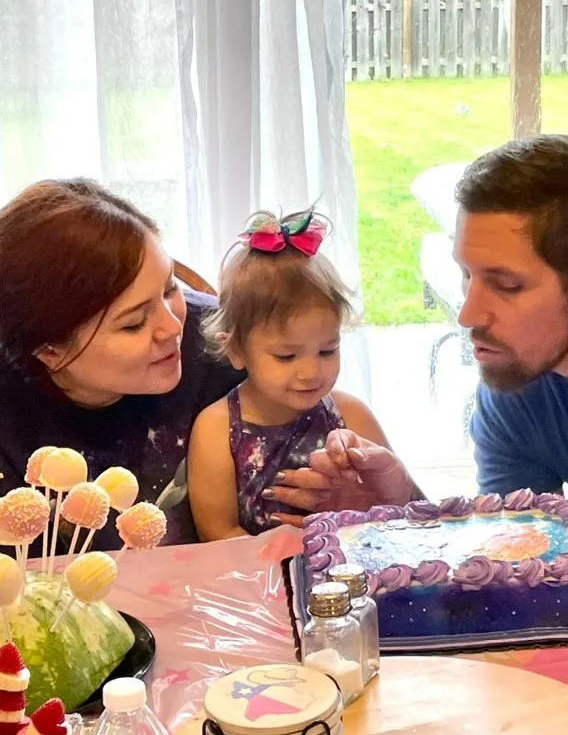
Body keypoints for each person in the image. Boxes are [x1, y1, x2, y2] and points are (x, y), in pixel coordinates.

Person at [308, 135, 568, 519]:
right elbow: (518, 548)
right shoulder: (522, 382)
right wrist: (401, 509)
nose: (468, 314)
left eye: (506, 285)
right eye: (467, 275)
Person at [0, 177, 243, 551]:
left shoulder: (223, 343)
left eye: (169, 288)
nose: (171, 326)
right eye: (133, 324)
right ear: (49, 351)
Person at [187, 209, 400, 540]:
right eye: (286, 356)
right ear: (235, 350)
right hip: (257, 582)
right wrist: (279, 554)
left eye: (327, 350)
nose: (311, 372)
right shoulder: (216, 429)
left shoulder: (351, 414)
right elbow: (217, 531)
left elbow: (397, 509)